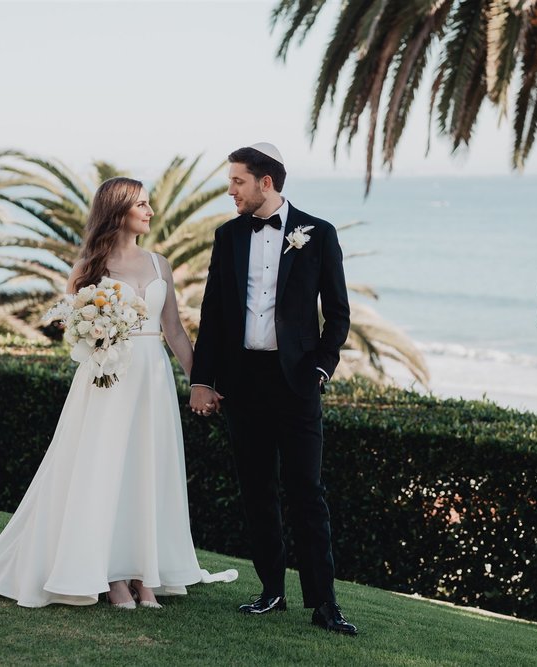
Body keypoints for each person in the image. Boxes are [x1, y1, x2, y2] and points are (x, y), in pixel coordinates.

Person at [0, 177, 236, 608]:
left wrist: (202, 383)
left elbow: (174, 331)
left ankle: (145, 574)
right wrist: (99, 341)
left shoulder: (160, 264)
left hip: (153, 379)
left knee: (148, 468)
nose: (150, 211)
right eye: (141, 204)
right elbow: (77, 330)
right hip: (109, 378)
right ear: (118, 211)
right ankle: (112, 576)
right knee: (104, 469)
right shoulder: (91, 266)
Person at [189, 143, 356, 634]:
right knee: (257, 491)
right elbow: (214, 313)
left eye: (237, 181)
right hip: (243, 383)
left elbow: (339, 314)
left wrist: (321, 370)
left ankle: (325, 604)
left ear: (266, 182)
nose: (230, 190)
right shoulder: (228, 235)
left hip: (297, 383)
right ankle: (271, 591)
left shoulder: (318, 234)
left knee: (308, 491)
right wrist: (203, 379)